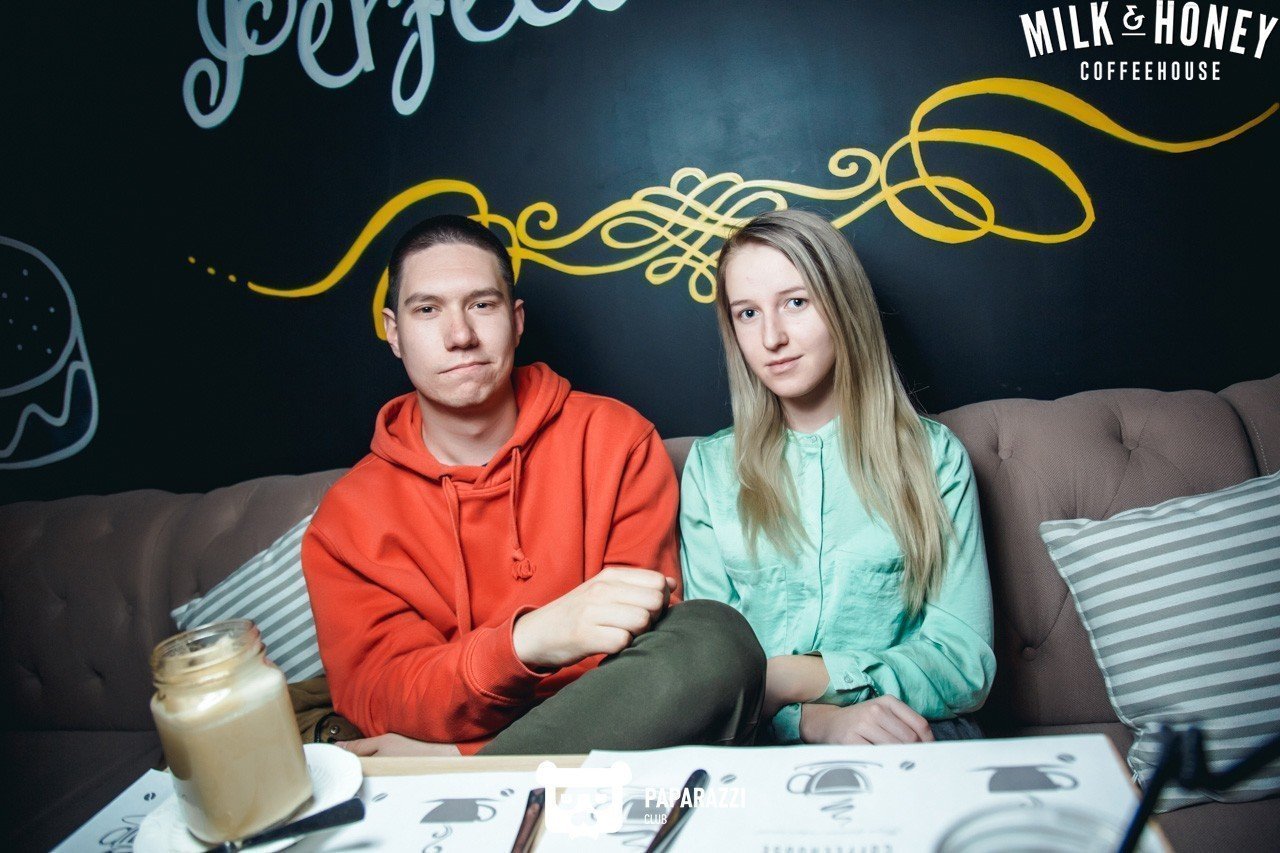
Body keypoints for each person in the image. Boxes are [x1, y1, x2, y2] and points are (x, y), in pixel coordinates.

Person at [302, 214, 764, 756]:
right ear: (394, 333)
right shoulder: (344, 520)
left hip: (556, 750)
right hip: (571, 755)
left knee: (712, 639)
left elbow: (642, 661)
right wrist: (530, 642)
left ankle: (485, 777)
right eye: (427, 310)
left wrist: (462, 758)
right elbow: (384, 698)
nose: (460, 336)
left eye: (482, 305)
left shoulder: (615, 439)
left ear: (516, 321)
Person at [680, 209, 996, 746]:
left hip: (910, 731)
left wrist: (801, 677)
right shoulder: (712, 470)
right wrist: (812, 720)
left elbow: (964, 664)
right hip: (761, 742)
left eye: (795, 303)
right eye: (748, 313)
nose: (772, 337)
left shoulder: (934, 458)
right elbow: (715, 675)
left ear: (843, 305)